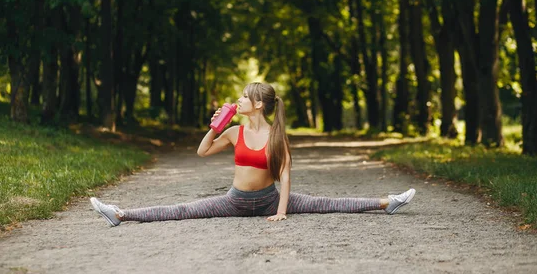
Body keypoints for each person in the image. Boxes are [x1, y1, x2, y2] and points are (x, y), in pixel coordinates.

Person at [90, 82, 415, 226]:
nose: (240, 100)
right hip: (234, 201)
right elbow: (203, 151)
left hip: (270, 201)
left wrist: (283, 211)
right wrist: (217, 126)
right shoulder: (235, 132)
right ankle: (120, 214)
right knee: (182, 209)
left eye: (245, 97)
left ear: (259, 104)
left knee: (326, 203)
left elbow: (285, 176)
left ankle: (388, 202)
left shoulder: (277, 136)